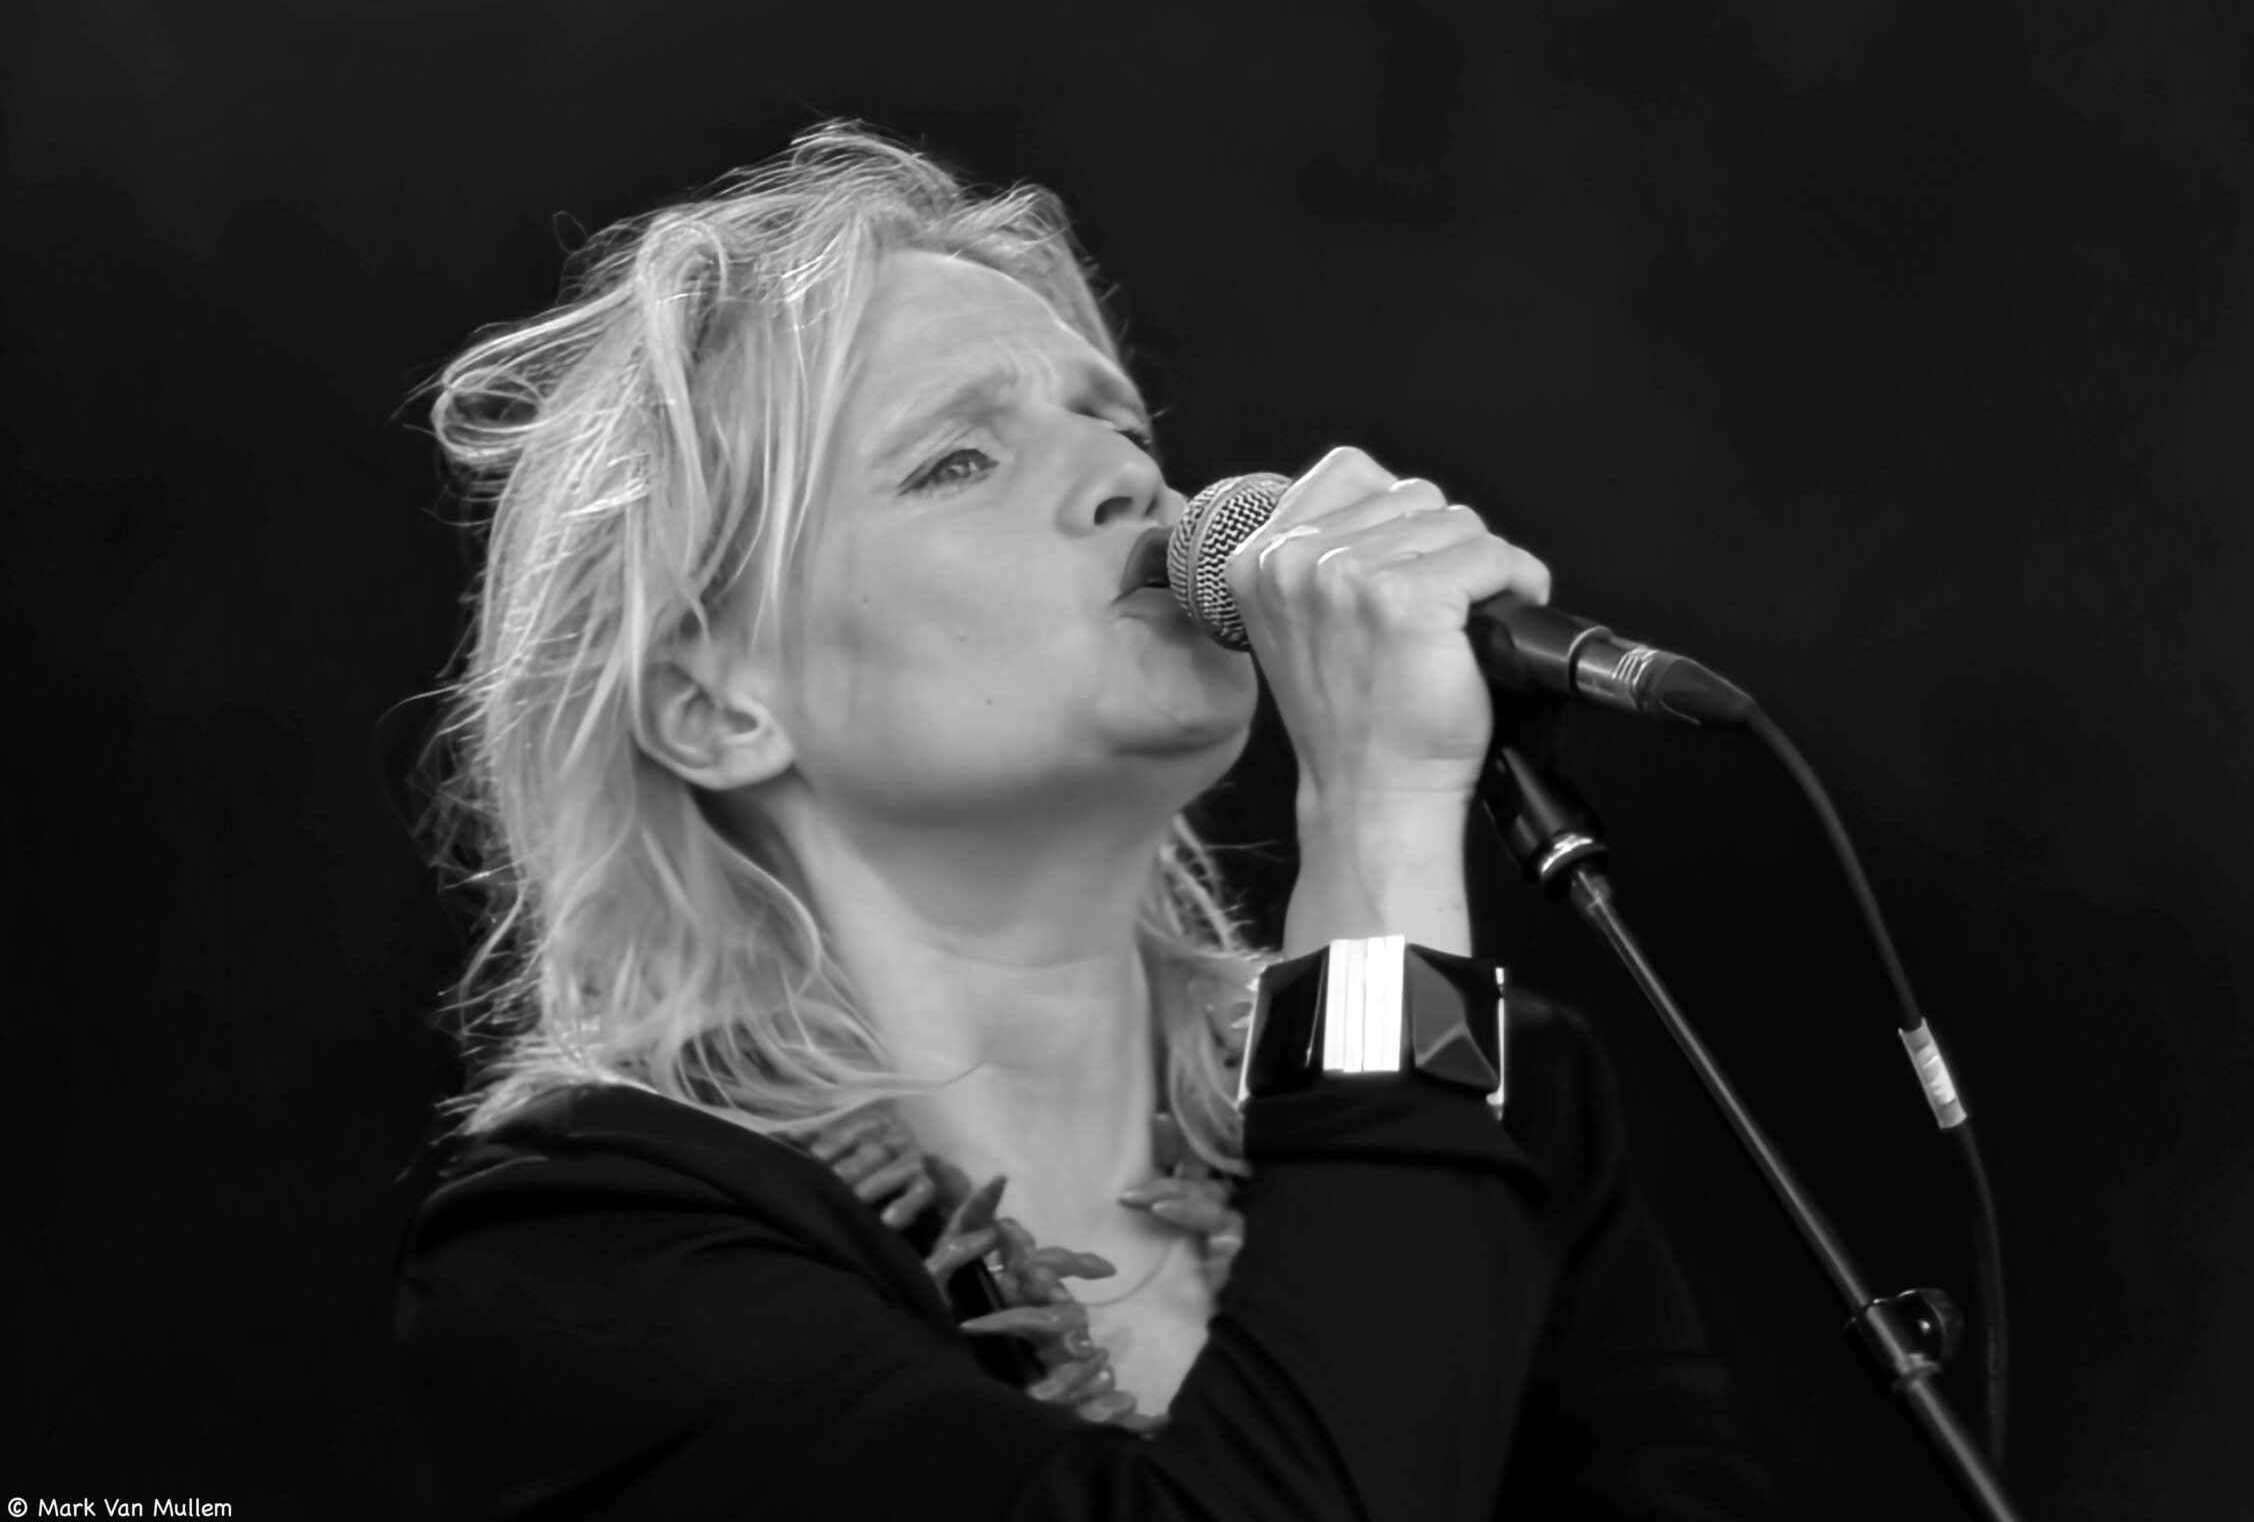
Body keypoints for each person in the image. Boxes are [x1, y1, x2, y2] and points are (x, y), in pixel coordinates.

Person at [395, 123, 1772, 1519]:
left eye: (1119, 424)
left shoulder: (1510, 1091)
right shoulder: (590, 1256)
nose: (1138, 480)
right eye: (957, 461)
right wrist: (1375, 822)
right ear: (715, 707)